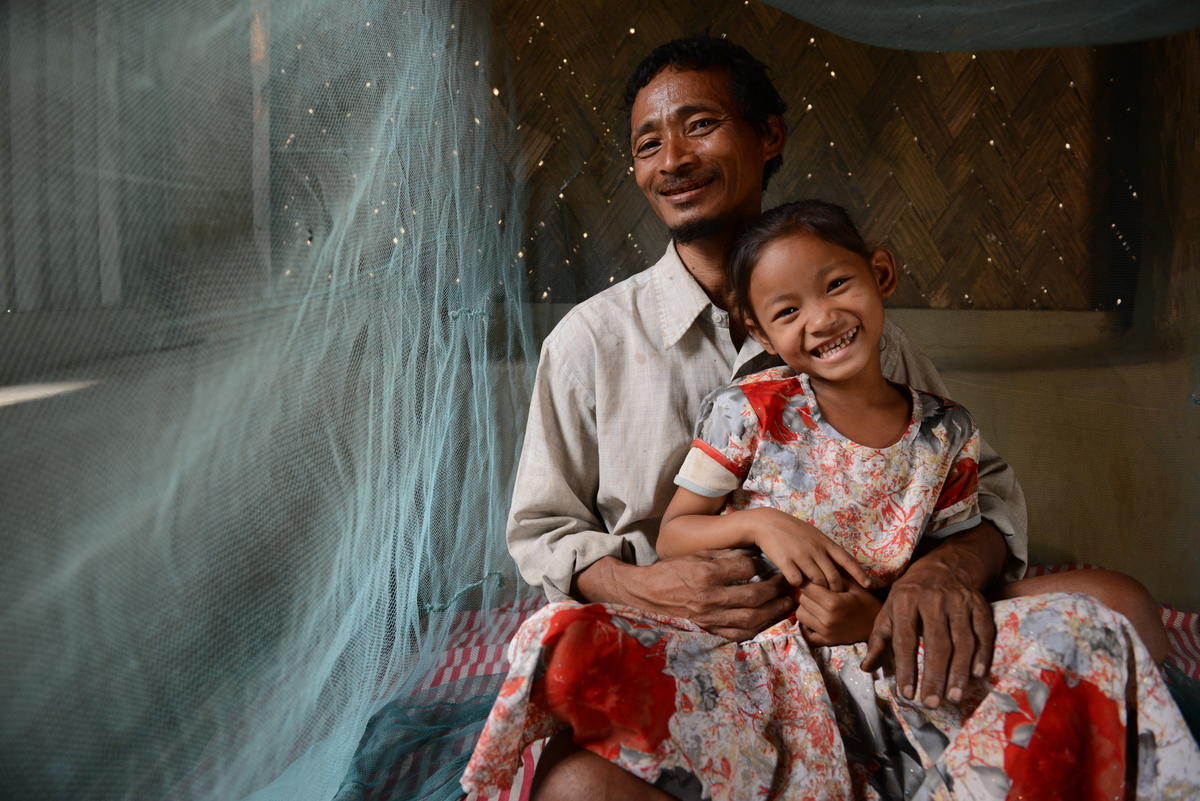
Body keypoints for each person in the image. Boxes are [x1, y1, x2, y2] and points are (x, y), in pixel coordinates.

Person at [463, 36, 1182, 800]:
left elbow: (982, 496)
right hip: (709, 651)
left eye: (699, 125)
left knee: (1121, 608)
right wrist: (654, 589)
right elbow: (544, 535)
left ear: (769, 135)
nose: (672, 159)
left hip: (867, 624)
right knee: (577, 790)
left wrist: (935, 575)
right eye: (648, 144)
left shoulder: (864, 332)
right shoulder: (591, 342)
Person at [656, 199, 986, 651]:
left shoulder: (946, 431)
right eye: (788, 312)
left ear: (881, 274)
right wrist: (762, 525)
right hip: (752, 648)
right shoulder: (748, 411)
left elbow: (949, 558)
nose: (823, 319)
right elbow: (673, 536)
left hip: (869, 642)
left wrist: (875, 619)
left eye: (836, 285)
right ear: (761, 334)